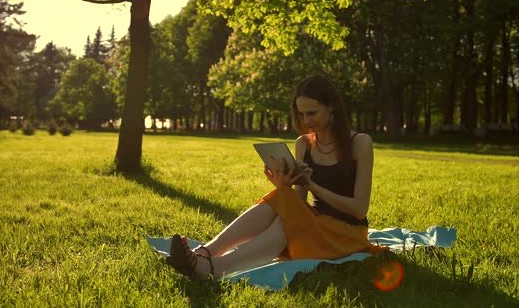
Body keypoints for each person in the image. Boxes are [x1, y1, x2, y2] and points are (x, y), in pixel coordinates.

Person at [165, 75, 387, 280]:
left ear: (331, 108)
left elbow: (360, 210)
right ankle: (205, 253)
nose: (306, 120)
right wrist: (283, 185)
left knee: (286, 216)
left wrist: (313, 186)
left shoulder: (360, 143)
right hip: (313, 227)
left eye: (312, 112)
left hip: (347, 236)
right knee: (282, 199)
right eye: (301, 114)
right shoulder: (304, 143)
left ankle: (213, 268)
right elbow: (298, 201)